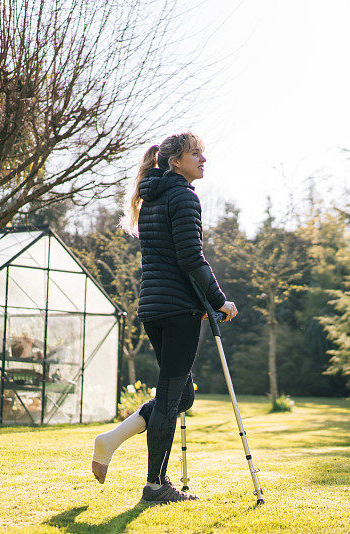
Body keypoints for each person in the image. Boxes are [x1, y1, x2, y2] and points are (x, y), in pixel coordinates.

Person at [90, 132, 238, 505]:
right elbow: (191, 257)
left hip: (154, 308)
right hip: (179, 310)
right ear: (176, 161)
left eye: (203, 153)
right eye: (195, 154)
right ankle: (156, 486)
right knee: (171, 399)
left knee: (181, 394)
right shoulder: (183, 196)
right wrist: (219, 300)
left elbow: (175, 257)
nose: (203, 160)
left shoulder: (152, 195)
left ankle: (111, 439)